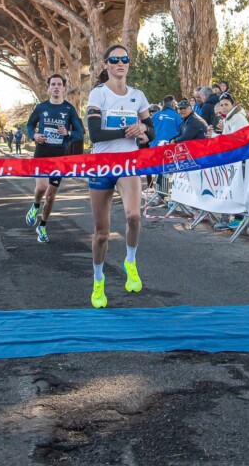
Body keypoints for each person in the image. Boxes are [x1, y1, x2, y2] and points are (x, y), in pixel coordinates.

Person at [86, 44, 153, 308]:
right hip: (102, 165)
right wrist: (130, 130)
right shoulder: (98, 93)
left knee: (134, 216)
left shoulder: (138, 95)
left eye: (125, 59)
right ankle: (98, 280)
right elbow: (95, 134)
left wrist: (143, 131)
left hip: (128, 163)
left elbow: (152, 131)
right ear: (106, 65)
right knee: (102, 233)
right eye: (114, 60)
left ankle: (130, 261)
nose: (120, 63)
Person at [25, 74, 85, 244]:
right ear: (49, 88)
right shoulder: (41, 107)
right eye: (53, 84)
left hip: (59, 156)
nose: (56, 87)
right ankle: (35, 205)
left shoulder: (69, 109)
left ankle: (42, 226)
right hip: (42, 152)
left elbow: (80, 133)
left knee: (51, 196)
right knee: (42, 187)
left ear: (64, 88)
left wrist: (68, 133)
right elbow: (29, 125)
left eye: (59, 84)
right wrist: (34, 135)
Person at [212, 92, 249, 230]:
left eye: (226, 104)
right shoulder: (228, 118)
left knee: (236, 188)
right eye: (221, 105)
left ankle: (238, 218)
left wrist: (215, 136)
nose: (223, 107)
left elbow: (235, 140)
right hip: (232, 159)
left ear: (232, 105)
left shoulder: (237, 118)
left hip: (240, 159)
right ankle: (228, 217)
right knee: (230, 188)